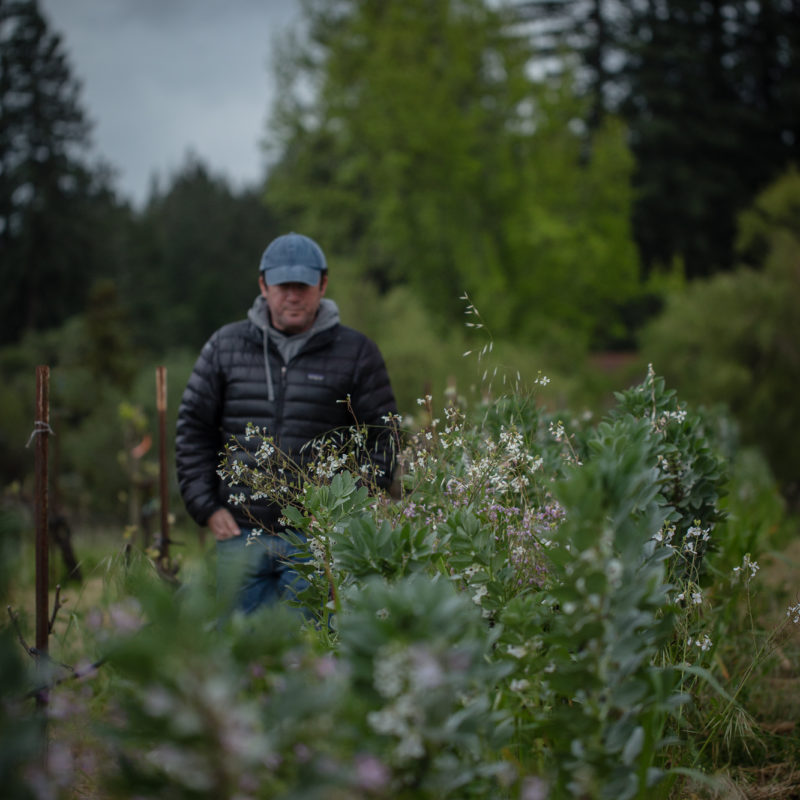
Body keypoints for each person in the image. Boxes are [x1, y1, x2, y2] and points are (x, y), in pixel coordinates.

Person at [175, 232, 398, 613]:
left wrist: (341, 513)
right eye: (283, 285)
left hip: (318, 540)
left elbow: (384, 441)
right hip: (240, 537)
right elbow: (193, 432)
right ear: (263, 285)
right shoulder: (224, 347)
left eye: (303, 285)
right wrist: (206, 507)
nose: (293, 295)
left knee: (313, 658)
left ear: (322, 285)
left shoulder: (356, 352)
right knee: (243, 654)